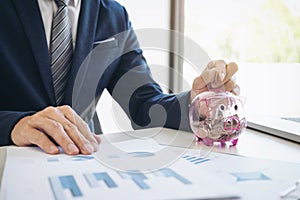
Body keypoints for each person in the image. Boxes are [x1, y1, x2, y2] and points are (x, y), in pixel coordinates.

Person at [0, 0, 239, 155]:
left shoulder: (114, 15)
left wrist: (196, 103)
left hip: (83, 161)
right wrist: (13, 125)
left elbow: (144, 104)